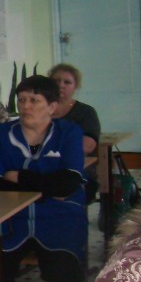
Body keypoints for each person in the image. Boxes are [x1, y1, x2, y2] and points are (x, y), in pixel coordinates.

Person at [0, 74, 88, 282]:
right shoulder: (2, 134)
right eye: (21, 100)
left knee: (63, 270)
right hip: (12, 220)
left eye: (34, 100)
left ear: (52, 106)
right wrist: (46, 186)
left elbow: (68, 183)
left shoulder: (69, 133)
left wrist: (19, 177)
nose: (26, 106)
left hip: (59, 218)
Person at [49, 63, 102, 203]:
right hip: (42, 168)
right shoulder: (39, 110)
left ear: (75, 86)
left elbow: (87, 145)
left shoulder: (86, 112)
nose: (61, 85)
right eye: (56, 81)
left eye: (67, 82)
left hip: (77, 170)